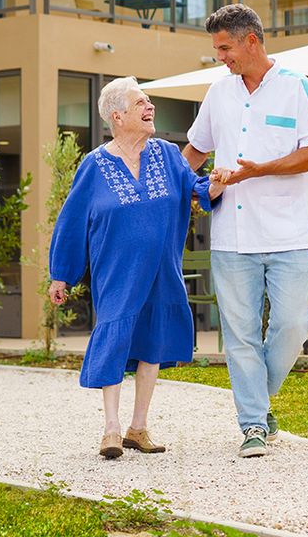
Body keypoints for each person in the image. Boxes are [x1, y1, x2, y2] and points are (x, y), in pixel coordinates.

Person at [183, 4, 308, 458]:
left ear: (251, 40)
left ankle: (259, 401)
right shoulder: (219, 93)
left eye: (225, 48)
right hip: (232, 235)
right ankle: (253, 423)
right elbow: (194, 151)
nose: (221, 58)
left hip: (287, 235)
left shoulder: (295, 87)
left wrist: (260, 170)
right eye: (217, 50)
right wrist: (163, 184)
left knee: (292, 326)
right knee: (240, 335)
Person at [49, 76, 224, 459]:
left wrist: (215, 185)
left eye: (149, 102)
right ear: (118, 115)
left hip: (162, 268)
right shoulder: (94, 166)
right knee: (114, 336)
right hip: (117, 269)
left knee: (153, 341)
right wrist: (60, 273)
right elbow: (72, 220)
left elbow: (195, 190)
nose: (151, 108)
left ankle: (138, 427)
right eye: (141, 103)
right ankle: (110, 429)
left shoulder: (166, 154)